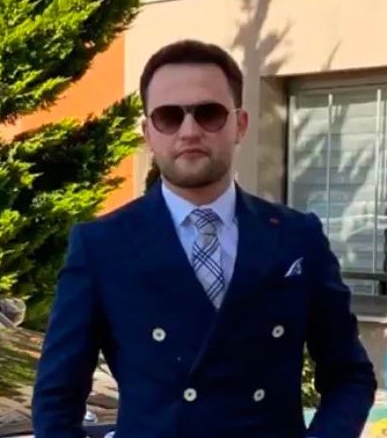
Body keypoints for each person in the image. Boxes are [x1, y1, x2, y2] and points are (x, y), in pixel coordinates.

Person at [31, 39, 376, 438]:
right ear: (148, 132)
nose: (189, 131)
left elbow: (349, 374)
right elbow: (56, 402)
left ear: (240, 124)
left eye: (209, 114)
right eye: (169, 117)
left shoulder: (297, 238)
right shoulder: (102, 246)